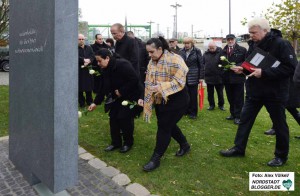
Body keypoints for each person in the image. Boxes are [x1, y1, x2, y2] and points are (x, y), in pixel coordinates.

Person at [220, 18, 298, 167]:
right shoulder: (254, 44)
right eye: (250, 33)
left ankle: (281, 156)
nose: (251, 36)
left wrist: (265, 73)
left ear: (265, 30)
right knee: (244, 120)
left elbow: (291, 68)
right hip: (254, 91)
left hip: (275, 93)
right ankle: (238, 148)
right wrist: (242, 69)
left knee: (279, 124)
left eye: (254, 33)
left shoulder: (282, 44)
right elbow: (251, 64)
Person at [138, 36, 190, 172]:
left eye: (152, 52)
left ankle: (156, 158)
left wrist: (162, 87)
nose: (149, 55)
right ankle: (185, 145)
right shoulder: (152, 62)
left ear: (160, 49)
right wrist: (146, 97)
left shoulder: (175, 59)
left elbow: (180, 80)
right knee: (168, 124)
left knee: (164, 127)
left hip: (178, 100)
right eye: (148, 52)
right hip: (160, 99)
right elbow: (148, 81)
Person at [88, 48, 142, 153]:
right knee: (113, 119)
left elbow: (135, 79)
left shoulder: (123, 65)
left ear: (107, 58)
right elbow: (103, 87)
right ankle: (116, 143)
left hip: (130, 95)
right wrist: (95, 102)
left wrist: (121, 91)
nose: (98, 64)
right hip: (116, 97)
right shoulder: (105, 69)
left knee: (124, 119)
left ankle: (128, 143)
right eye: (97, 61)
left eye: (100, 61)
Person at [221, 34, 247, 124]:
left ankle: (238, 116)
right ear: (226, 40)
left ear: (235, 40)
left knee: (239, 98)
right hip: (227, 78)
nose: (230, 41)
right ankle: (232, 113)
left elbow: (245, 61)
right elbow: (220, 62)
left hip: (238, 77)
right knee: (230, 97)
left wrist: (238, 66)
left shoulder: (242, 50)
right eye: (228, 40)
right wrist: (226, 66)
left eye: (232, 39)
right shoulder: (223, 51)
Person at [179, 37, 204, 119]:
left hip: (194, 76)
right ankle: (186, 110)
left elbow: (201, 65)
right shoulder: (181, 51)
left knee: (193, 96)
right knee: (185, 95)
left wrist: (201, 77)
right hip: (183, 76)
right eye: (185, 43)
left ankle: (193, 113)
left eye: (188, 43)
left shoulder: (197, 51)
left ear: (192, 43)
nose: (186, 45)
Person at [203, 41, 225, 111]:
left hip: (219, 77)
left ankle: (221, 105)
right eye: (210, 48)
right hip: (208, 77)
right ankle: (211, 105)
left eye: (213, 48)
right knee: (210, 93)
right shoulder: (205, 54)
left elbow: (224, 64)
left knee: (220, 93)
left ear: (216, 47)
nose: (211, 49)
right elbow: (203, 64)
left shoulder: (221, 53)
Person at [78, 34, 95, 107]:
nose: (81, 40)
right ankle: (81, 102)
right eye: (79, 39)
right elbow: (74, 56)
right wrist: (83, 60)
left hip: (87, 70)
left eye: (82, 39)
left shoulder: (88, 47)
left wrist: (89, 61)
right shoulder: (74, 48)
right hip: (79, 70)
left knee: (88, 87)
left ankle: (89, 101)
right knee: (79, 87)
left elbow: (92, 56)